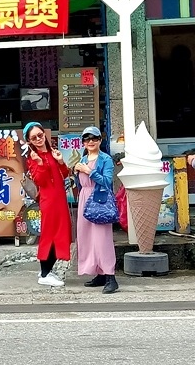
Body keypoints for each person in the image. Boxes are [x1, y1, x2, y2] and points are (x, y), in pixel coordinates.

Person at [24, 121, 72, 287]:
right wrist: (39, 163)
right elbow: (40, 181)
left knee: (61, 233)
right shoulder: (33, 158)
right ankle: (44, 274)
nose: (38, 139)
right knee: (50, 235)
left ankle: (46, 270)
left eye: (40, 135)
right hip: (49, 201)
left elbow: (65, 175)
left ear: (44, 134)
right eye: (34, 137)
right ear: (29, 141)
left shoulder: (53, 152)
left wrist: (60, 161)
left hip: (60, 199)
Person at [74, 126, 118, 294]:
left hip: (100, 200)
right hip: (85, 199)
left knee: (102, 239)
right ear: (83, 142)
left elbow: (107, 181)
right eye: (86, 139)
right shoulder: (83, 158)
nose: (90, 142)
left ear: (100, 140)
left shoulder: (105, 159)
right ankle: (98, 273)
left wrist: (88, 171)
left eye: (94, 138)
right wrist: (76, 171)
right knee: (87, 238)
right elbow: (80, 183)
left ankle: (110, 277)